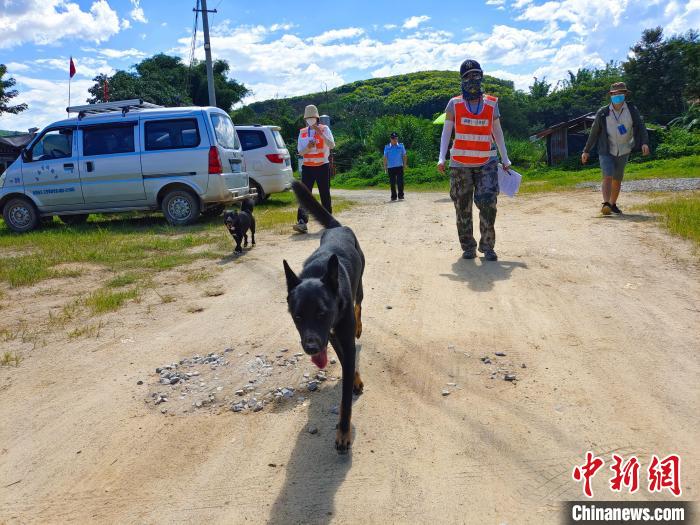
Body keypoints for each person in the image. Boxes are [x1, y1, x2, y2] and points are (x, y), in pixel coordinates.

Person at [437, 59, 511, 261]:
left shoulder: (491, 103)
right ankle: (468, 246)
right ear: (461, 80)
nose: (473, 79)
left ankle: (487, 246)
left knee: (488, 202)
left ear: (482, 76)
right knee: (462, 205)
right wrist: (441, 158)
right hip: (460, 164)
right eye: (468, 76)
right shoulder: (454, 103)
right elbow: (446, 132)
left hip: (486, 161)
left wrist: (505, 159)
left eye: (476, 75)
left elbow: (498, 132)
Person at [581, 82, 650, 215]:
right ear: (611, 95)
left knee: (617, 179)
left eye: (620, 93)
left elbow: (641, 127)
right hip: (606, 149)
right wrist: (586, 150)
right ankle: (606, 203)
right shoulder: (603, 112)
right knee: (607, 175)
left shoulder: (631, 110)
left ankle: (612, 204)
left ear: (625, 94)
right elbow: (594, 133)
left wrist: (644, 142)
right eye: (614, 94)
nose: (617, 96)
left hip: (624, 149)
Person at [293, 104, 335, 233]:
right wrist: (309, 147)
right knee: (305, 195)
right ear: (305, 119)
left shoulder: (325, 129)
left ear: (317, 118)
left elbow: (332, 145)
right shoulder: (302, 132)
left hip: (322, 166)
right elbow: (300, 152)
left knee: (325, 194)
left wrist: (320, 134)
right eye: (308, 118)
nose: (310, 119)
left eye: (312, 117)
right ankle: (302, 222)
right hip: (308, 168)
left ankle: (329, 222)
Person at [383, 132, 407, 201]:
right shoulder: (387, 147)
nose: (394, 140)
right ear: (390, 139)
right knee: (392, 183)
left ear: (397, 139)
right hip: (390, 167)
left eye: (396, 138)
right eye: (393, 138)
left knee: (400, 182)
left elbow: (404, 155)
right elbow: (385, 157)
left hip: (399, 166)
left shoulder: (401, 146)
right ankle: (393, 196)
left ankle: (401, 195)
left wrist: (405, 164)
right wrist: (385, 166)